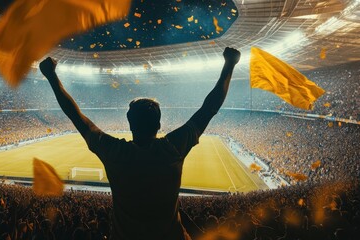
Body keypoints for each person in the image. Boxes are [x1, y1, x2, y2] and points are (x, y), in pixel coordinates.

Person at [40, 47, 241, 240]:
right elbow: (209, 108)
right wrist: (229, 65)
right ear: (159, 124)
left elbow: (77, 117)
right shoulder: (172, 148)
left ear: (129, 123)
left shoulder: (115, 152)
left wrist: (51, 76)